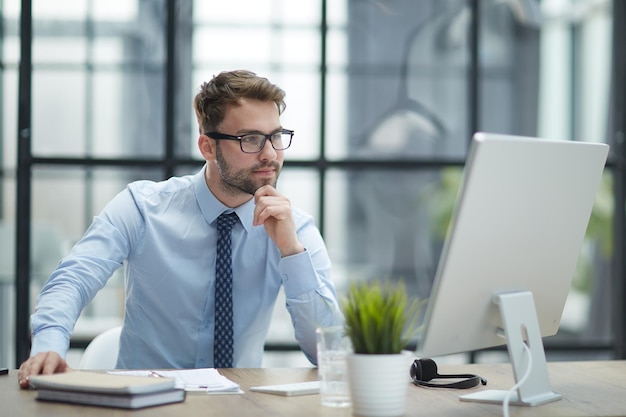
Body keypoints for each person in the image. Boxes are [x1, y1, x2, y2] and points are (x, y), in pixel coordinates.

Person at [18, 69, 344, 388]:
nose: (270, 154)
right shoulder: (142, 207)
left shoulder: (294, 227)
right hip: (144, 405)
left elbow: (328, 353)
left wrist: (291, 252)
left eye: (275, 137)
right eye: (251, 139)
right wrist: (49, 344)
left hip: (239, 407)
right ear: (207, 147)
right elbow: (74, 277)